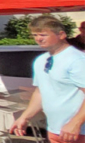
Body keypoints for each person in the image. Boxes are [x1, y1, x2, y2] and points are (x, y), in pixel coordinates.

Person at [12, 15, 85, 143]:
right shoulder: (41, 60)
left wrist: (75, 123)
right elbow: (40, 93)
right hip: (55, 130)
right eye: (35, 35)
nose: (38, 39)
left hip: (78, 132)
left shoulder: (77, 59)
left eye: (43, 35)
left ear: (61, 35)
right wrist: (25, 117)